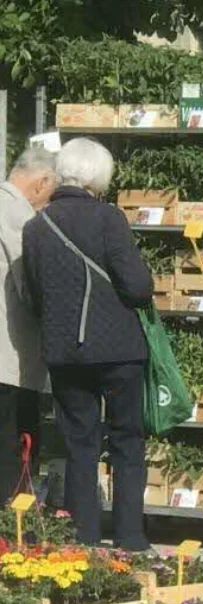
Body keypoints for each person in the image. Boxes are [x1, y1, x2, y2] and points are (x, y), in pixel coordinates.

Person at [23, 137, 153, 550]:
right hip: (118, 352)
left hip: (66, 354)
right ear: (100, 177)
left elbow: (34, 293)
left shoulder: (35, 226)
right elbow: (138, 288)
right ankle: (130, 538)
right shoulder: (108, 218)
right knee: (126, 442)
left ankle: (83, 539)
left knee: (80, 444)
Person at [0, 148, 56, 506]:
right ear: (42, 182)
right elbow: (31, 286)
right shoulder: (17, 215)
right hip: (8, 355)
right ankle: (10, 530)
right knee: (11, 445)